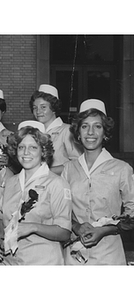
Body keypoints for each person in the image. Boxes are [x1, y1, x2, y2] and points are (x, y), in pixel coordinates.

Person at [62, 99, 134, 265]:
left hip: (108, 255)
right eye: (85, 126)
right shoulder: (69, 169)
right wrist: (76, 227)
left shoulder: (122, 169)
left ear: (105, 133)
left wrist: (105, 230)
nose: (91, 132)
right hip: (74, 256)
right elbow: (61, 211)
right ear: (78, 133)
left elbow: (132, 213)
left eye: (97, 126)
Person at [0, 120, 72, 265]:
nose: (26, 153)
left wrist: (33, 227)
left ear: (43, 151)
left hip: (43, 262)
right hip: (9, 262)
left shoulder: (57, 184)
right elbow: (2, 219)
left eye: (33, 147)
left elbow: (64, 232)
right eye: (21, 147)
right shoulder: (10, 182)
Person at [29, 84, 82, 175]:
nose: (38, 111)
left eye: (43, 107)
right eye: (35, 108)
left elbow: (78, 163)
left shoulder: (67, 131)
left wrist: (47, 171)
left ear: (54, 108)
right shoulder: (34, 132)